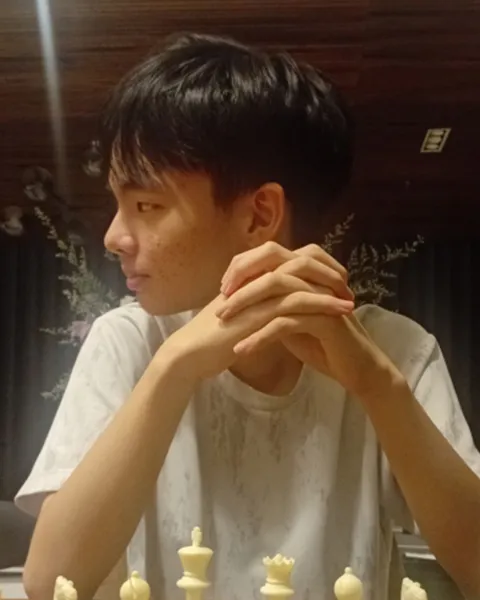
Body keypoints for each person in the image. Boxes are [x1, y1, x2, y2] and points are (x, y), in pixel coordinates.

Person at [15, 33, 480, 600]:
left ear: (260, 215)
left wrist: (378, 386)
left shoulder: (394, 350)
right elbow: (50, 583)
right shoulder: (129, 341)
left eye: (147, 206)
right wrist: (172, 368)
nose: (114, 236)